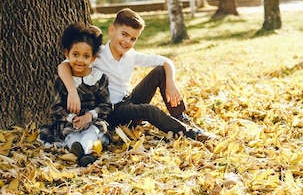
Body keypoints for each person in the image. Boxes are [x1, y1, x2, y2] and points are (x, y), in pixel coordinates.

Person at [58, 8, 214, 143]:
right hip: (112, 112)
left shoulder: (130, 55)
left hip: (129, 101)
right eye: (124, 34)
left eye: (133, 38)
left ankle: (179, 116)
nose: (127, 41)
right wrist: (72, 91)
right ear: (112, 30)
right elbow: (64, 65)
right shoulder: (97, 56)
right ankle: (190, 133)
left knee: (160, 71)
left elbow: (166, 61)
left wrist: (171, 82)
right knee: (149, 110)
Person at [40, 22, 112, 166]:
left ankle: (87, 151)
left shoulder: (99, 78)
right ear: (67, 54)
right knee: (71, 134)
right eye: (75, 54)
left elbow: (106, 105)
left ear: (93, 58)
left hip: (92, 119)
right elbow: (56, 107)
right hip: (69, 121)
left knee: (92, 132)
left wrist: (89, 116)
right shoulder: (62, 81)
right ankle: (77, 149)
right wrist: (71, 118)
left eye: (86, 56)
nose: (80, 60)